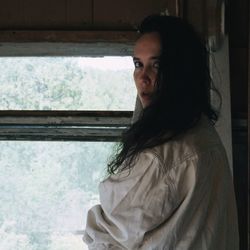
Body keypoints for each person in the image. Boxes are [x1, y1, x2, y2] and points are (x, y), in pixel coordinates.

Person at [83, 15, 239, 249]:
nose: (142, 78)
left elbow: (108, 233)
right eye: (138, 64)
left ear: (180, 72)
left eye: (156, 65)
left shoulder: (163, 155)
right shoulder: (203, 134)